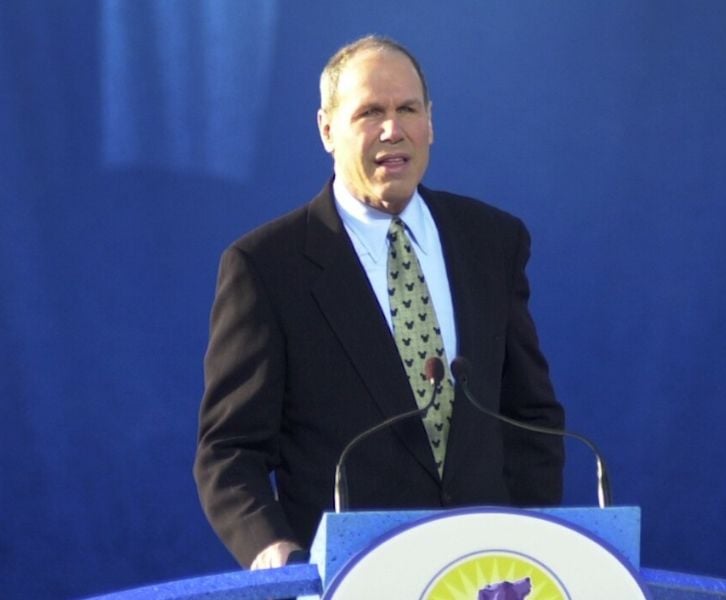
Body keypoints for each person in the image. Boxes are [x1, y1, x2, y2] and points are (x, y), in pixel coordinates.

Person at [193, 34, 565, 570]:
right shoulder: (267, 267)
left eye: (408, 109)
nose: (394, 129)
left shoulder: (492, 241)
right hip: (353, 575)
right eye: (370, 112)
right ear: (327, 129)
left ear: (430, 122)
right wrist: (277, 554)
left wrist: (526, 544)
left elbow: (531, 417)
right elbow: (229, 452)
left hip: (484, 573)